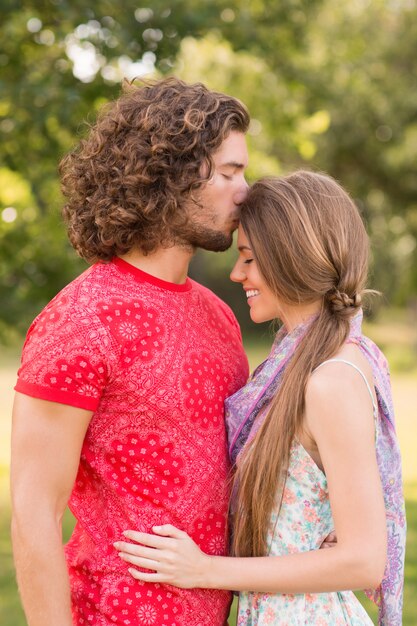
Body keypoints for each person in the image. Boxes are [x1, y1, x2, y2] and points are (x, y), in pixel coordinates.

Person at [11, 77, 251, 626]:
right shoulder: (81, 319)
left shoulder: (220, 316)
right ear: (172, 173)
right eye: (231, 172)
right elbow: (33, 511)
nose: (246, 190)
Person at [115, 171, 406, 626]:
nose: (236, 274)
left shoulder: (330, 380)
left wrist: (204, 570)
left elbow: (365, 560)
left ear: (289, 259)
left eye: (248, 259)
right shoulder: (298, 365)